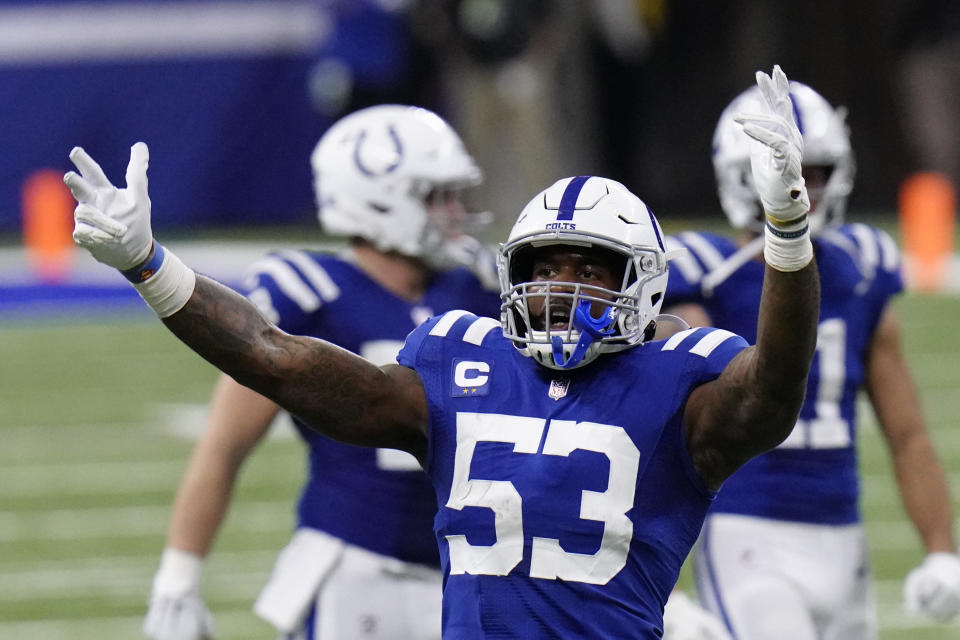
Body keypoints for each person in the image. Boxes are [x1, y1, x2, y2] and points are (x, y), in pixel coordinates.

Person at [67, 66, 820, 638]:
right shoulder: (460, 361)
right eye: (545, 268)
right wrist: (150, 266)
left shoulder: (680, 383)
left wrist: (786, 231)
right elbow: (275, 356)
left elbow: (775, 384)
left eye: (591, 269)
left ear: (645, 286)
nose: (562, 290)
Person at [140, 105, 502, 640]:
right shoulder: (312, 293)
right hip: (358, 569)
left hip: (474, 571)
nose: (453, 211)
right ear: (378, 201)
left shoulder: (479, 288)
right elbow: (223, 446)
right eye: (435, 196)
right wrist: (178, 578)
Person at [663, 78, 960, 639]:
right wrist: (667, 588)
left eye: (813, 172)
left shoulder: (859, 270)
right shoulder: (706, 277)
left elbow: (909, 433)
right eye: (783, 172)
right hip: (748, 532)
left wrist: (943, 550)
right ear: (740, 176)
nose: (801, 187)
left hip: (844, 538)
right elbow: (658, 435)